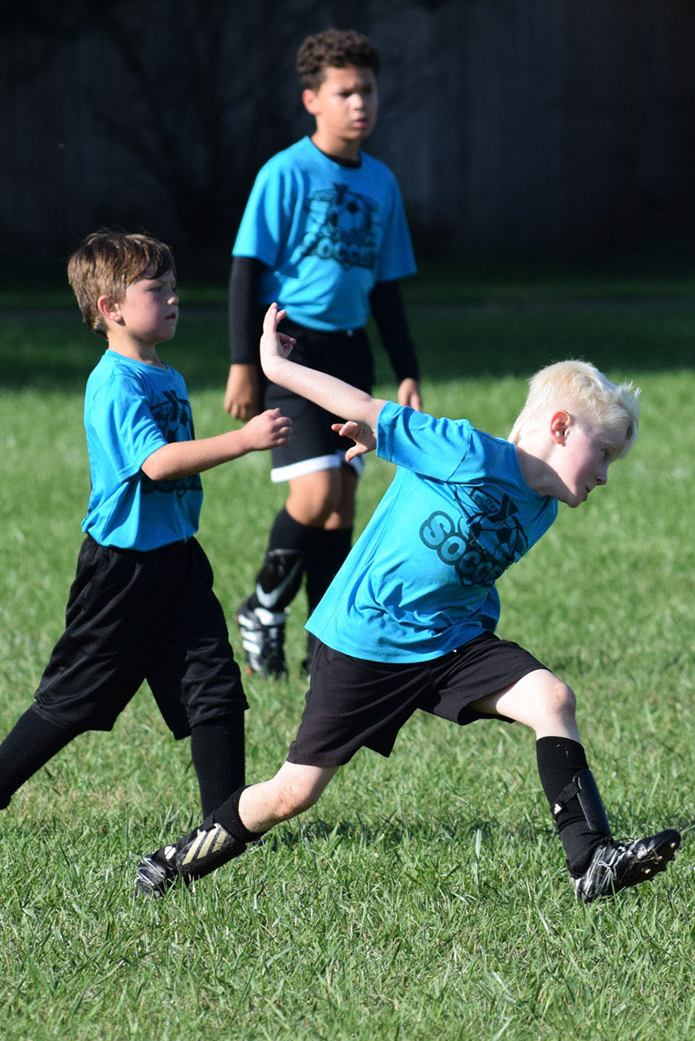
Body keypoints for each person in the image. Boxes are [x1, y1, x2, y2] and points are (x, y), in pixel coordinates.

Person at [135, 304, 681, 903]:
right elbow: (363, 405)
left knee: (553, 699)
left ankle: (592, 859)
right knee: (293, 794)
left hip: (450, 642)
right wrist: (275, 367)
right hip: (366, 639)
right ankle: (172, 863)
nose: (605, 475)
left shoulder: (543, 508)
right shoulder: (466, 451)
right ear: (560, 427)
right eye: (603, 453)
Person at [0, 232, 290, 845]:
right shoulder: (115, 382)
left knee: (214, 689)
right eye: (157, 289)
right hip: (121, 572)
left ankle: (223, 831)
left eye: (173, 286)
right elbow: (156, 464)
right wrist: (242, 441)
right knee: (76, 699)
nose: (174, 298)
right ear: (111, 308)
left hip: (178, 563)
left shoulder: (165, 374)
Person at [224, 28, 422, 678]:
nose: (359, 103)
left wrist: (407, 371)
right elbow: (247, 269)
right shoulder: (285, 172)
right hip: (291, 349)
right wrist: (244, 362)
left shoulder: (382, 183)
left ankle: (326, 645)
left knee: (341, 506)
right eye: (344, 92)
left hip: (351, 354)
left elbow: (387, 289)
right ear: (312, 99)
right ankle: (262, 608)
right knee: (314, 494)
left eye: (368, 90)